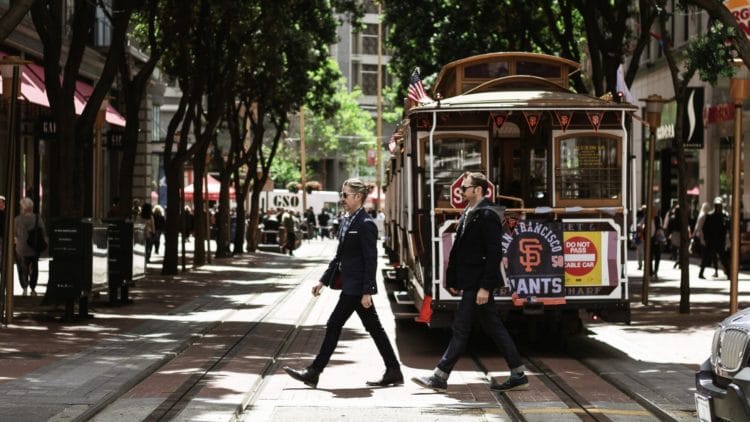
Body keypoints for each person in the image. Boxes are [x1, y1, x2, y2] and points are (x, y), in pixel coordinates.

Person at [412, 171, 527, 393]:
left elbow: (494, 253)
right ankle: (518, 373)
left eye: (464, 187)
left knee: (461, 328)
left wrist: (485, 287)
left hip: (478, 283)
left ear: (477, 190)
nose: (460, 190)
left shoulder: (488, 215)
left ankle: (440, 375)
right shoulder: (469, 211)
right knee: (493, 326)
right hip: (471, 281)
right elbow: (460, 250)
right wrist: (454, 278)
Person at [283, 178, 403, 388]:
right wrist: (323, 280)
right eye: (342, 194)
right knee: (374, 328)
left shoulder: (365, 224)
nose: (342, 199)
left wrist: (367, 291)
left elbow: (370, 259)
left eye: (345, 195)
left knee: (334, 324)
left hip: (356, 288)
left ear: (358, 197)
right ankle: (393, 370)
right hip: (350, 285)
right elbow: (339, 257)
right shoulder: (348, 220)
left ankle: (314, 372)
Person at [14, 198, 47, 297]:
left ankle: (24, 287)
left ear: (23, 208)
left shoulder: (17, 219)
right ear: (31, 207)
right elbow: (43, 231)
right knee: (34, 267)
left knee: (22, 268)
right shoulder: (37, 218)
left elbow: (14, 234)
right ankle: (33, 288)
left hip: (21, 248)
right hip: (34, 248)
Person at [700, 197, 729, 279]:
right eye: (717, 206)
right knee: (706, 257)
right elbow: (705, 228)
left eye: (720, 206)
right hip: (711, 241)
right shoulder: (710, 216)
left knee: (723, 258)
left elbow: (726, 228)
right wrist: (707, 239)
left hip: (720, 241)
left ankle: (729, 273)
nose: (718, 207)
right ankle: (701, 272)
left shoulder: (724, 216)